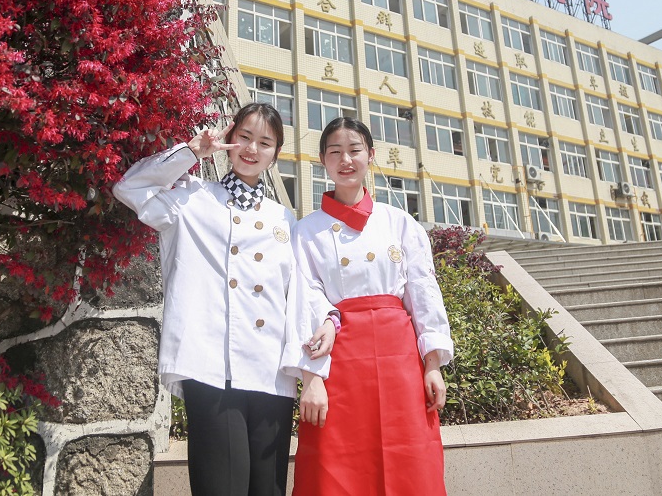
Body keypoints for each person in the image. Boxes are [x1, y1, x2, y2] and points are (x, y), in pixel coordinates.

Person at [112, 103, 334, 496]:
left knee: (267, 489)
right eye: (244, 137)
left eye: (264, 142)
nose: (252, 149)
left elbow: (301, 291)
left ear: (275, 154)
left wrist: (329, 322)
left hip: (271, 372)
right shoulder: (191, 197)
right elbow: (129, 188)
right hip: (211, 366)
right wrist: (190, 152)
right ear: (229, 139)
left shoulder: (284, 219)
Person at [293, 116, 454, 495]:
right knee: (336, 462)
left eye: (355, 150)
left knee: (410, 457)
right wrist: (311, 377)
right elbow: (305, 299)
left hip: (401, 361)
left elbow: (423, 292)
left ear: (371, 155)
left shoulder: (399, 223)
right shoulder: (306, 231)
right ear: (322, 160)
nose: (346, 160)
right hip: (339, 360)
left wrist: (432, 365)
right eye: (335, 152)